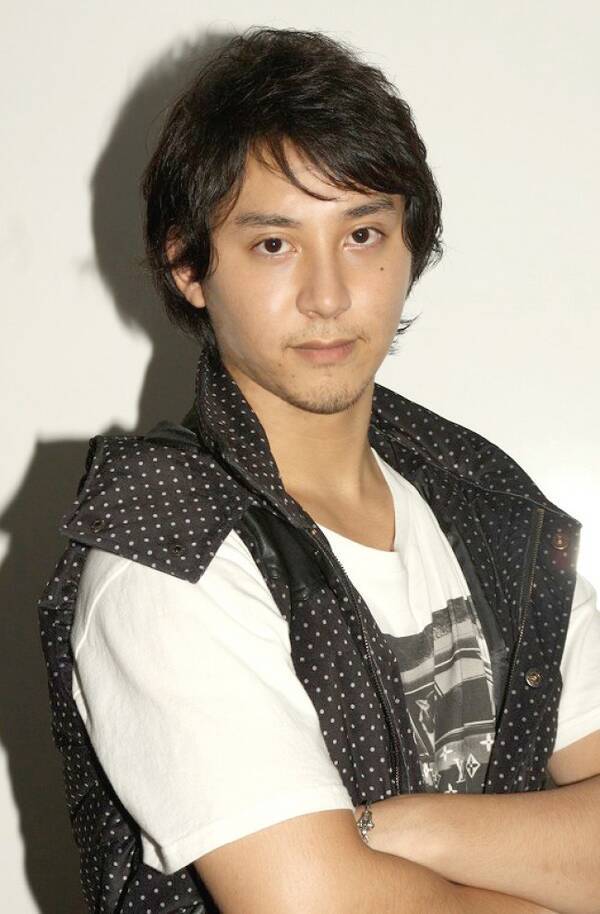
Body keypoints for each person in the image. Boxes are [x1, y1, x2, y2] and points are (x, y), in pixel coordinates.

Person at [38, 25, 600, 914]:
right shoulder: (166, 545)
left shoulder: (489, 506)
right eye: (274, 244)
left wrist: (404, 830)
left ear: (411, 246)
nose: (329, 295)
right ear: (189, 266)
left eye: (363, 233)